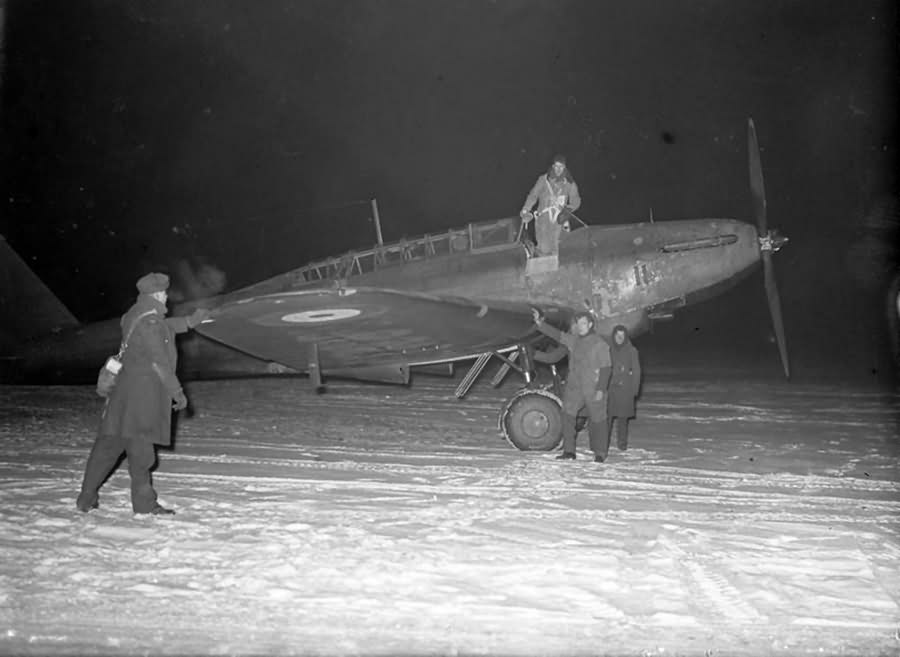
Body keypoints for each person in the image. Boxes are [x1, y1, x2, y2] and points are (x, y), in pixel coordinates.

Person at [76, 273, 208, 515]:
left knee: (107, 447)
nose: (167, 296)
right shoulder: (151, 323)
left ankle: (86, 498)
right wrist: (177, 393)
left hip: (122, 396)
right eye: (164, 293)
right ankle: (145, 505)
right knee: (141, 454)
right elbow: (160, 363)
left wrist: (189, 321)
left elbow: (164, 326)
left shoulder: (135, 315)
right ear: (157, 294)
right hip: (142, 398)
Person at [531, 308, 611, 462]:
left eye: (583, 323)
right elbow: (558, 336)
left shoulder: (599, 344)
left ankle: (600, 453)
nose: (580, 326)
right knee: (567, 415)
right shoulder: (574, 340)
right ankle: (569, 451)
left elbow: (606, 368)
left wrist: (601, 389)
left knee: (598, 419)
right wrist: (541, 324)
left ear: (590, 325)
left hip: (593, 387)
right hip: (575, 387)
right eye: (578, 323)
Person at [520, 154, 581, 256]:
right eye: (556, 166)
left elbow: (576, 200)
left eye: (561, 167)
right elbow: (533, 195)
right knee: (544, 249)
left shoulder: (569, 183)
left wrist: (568, 210)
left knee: (559, 249)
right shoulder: (543, 180)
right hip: (543, 221)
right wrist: (526, 210)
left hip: (559, 220)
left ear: (565, 167)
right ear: (553, 166)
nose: (558, 169)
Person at [607, 324, 641, 451]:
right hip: (610, 389)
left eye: (622, 335)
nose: (619, 338)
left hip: (625, 389)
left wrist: (634, 389)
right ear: (614, 336)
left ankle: (622, 444)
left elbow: (637, 371)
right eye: (617, 335)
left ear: (625, 336)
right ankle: (604, 442)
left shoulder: (632, 351)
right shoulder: (608, 349)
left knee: (622, 419)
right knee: (607, 418)